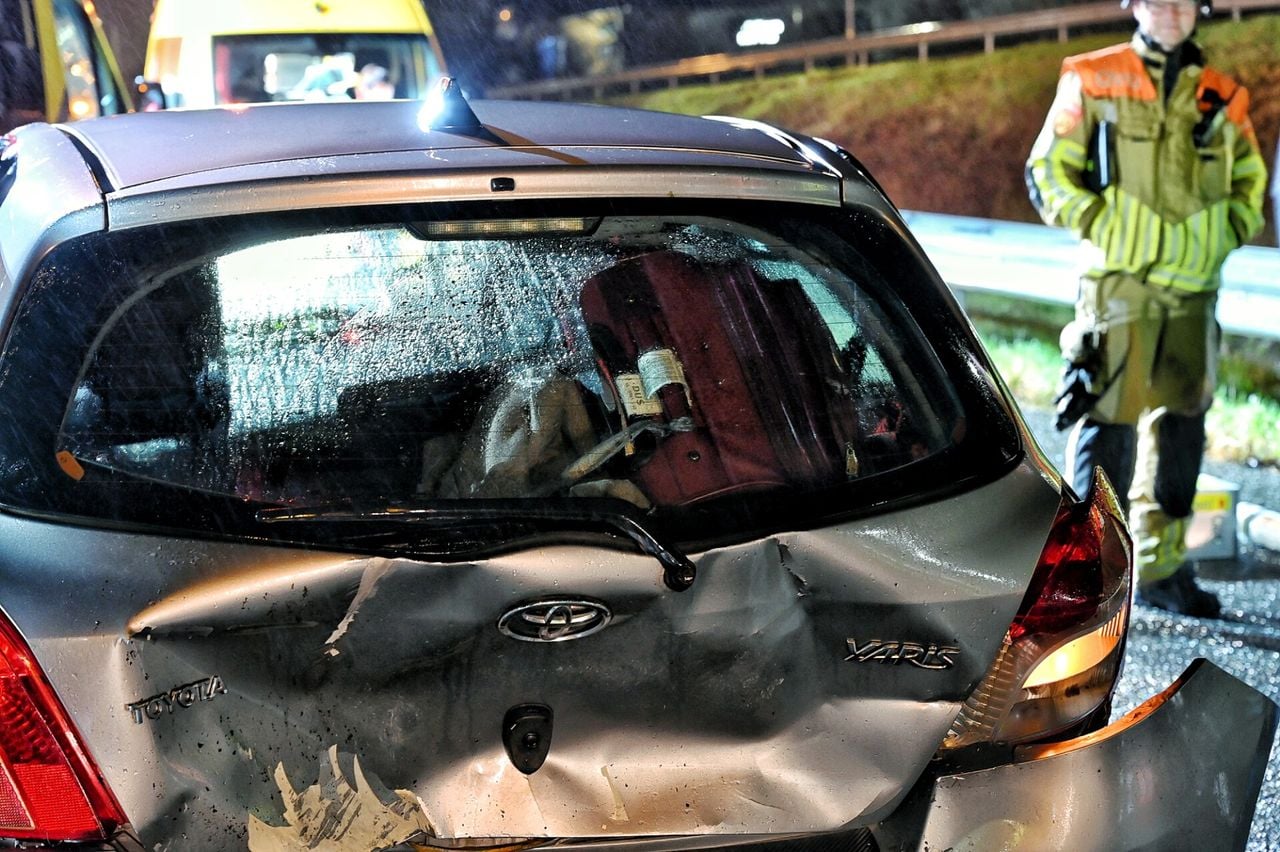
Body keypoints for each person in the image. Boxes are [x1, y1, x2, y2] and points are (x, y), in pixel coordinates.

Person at [1026, 0, 1267, 617]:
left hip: (1194, 286)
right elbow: (1047, 170)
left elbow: (1250, 181)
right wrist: (1102, 224)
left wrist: (1223, 231)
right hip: (1119, 286)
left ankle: (1162, 572)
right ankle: (1089, 583)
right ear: (1134, 4)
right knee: (1110, 426)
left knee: (1184, 430)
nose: (1171, 10)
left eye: (1185, 0)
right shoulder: (1093, 76)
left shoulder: (1224, 95)